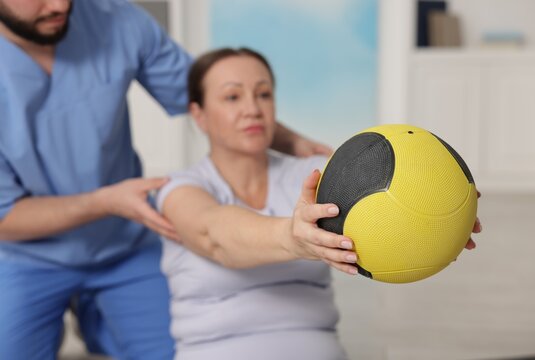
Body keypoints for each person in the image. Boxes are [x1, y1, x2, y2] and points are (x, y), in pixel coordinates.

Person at [0, 1, 332, 359]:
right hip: (27, 254)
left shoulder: (116, 20)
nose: (60, 4)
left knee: (172, 350)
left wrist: (289, 140)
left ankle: (98, 319)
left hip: (122, 245)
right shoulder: (183, 189)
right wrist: (106, 201)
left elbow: (207, 94)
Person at [157, 47, 362, 360]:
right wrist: (292, 237)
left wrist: (441, 218)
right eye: (232, 97)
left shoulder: (312, 175)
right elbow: (215, 236)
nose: (252, 108)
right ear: (199, 115)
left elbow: (378, 202)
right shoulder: (179, 189)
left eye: (263, 94)